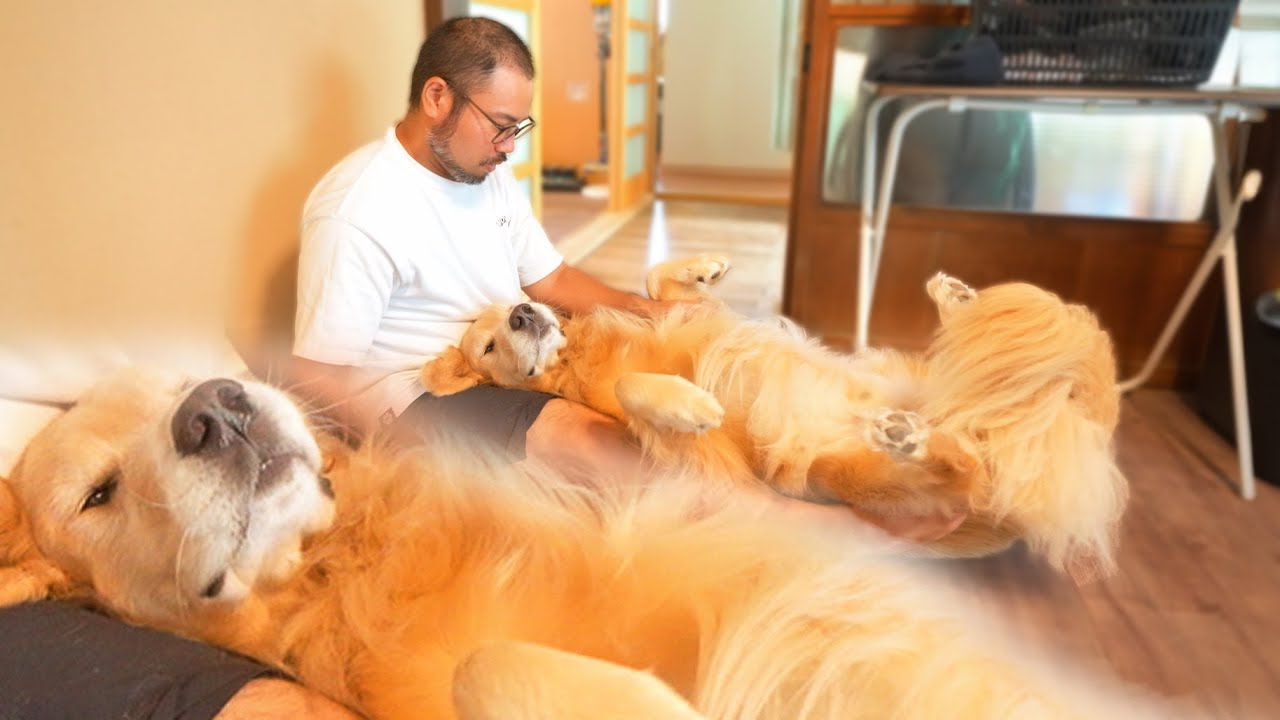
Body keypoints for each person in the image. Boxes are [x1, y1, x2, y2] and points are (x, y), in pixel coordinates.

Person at [290, 16, 965, 539]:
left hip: (516, 353)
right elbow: (318, 377)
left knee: (695, 384)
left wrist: (647, 311)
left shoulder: (481, 173)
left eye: (519, 128)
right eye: (501, 126)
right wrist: (402, 456)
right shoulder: (358, 210)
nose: (510, 147)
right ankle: (834, 532)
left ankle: (840, 454)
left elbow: (550, 276)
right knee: (606, 445)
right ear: (437, 97)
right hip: (425, 394)